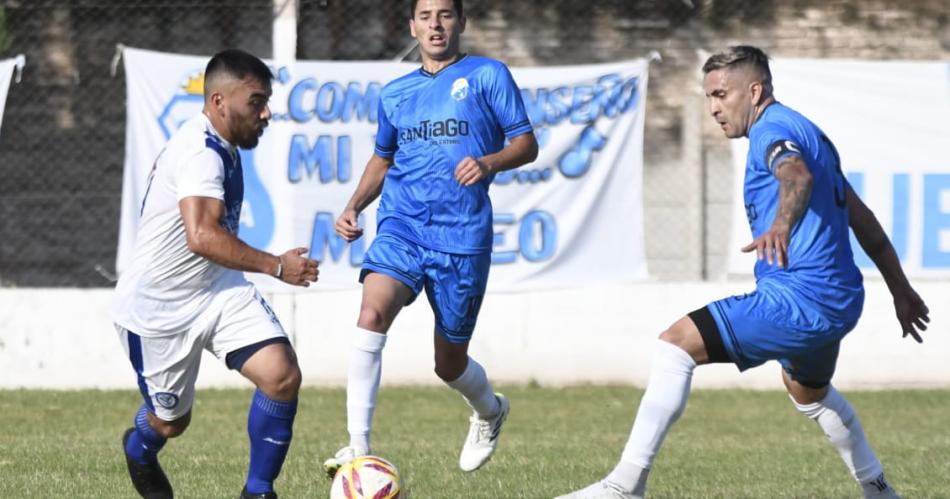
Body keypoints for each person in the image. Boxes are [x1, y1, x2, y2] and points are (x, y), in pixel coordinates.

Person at [558, 45, 930, 499]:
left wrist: (780, 223)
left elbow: (795, 177)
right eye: (709, 96)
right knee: (807, 391)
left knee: (675, 346)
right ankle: (878, 488)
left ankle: (624, 485)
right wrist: (901, 290)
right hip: (840, 300)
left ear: (754, 91)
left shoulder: (772, 130)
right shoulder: (810, 131)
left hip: (799, 299)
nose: (714, 108)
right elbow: (862, 218)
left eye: (721, 94)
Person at [324, 0, 538, 476]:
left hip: (462, 238)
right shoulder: (396, 94)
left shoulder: (488, 75)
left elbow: (526, 143)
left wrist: (487, 162)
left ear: (461, 22)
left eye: (445, 14)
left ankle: (489, 410)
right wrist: (353, 205)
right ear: (412, 26)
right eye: (425, 16)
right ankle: (358, 449)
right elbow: (383, 159)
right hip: (403, 224)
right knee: (372, 311)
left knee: (448, 363)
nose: (435, 24)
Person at [112, 49, 319, 499]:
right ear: (220, 101)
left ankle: (257, 491)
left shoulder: (223, 142)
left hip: (216, 288)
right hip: (159, 308)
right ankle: (139, 445)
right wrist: (277, 265)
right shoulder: (201, 152)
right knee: (171, 423)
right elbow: (202, 237)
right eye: (256, 101)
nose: (266, 113)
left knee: (281, 375)